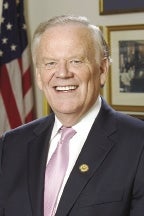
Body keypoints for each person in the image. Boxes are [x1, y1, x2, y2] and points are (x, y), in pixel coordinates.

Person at [0, 15, 144, 216]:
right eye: (50, 63)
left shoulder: (138, 144)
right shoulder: (11, 144)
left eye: (76, 61)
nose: (62, 73)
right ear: (39, 76)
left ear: (102, 70)